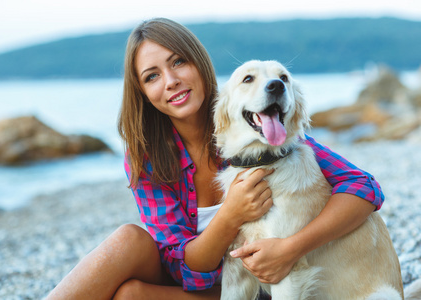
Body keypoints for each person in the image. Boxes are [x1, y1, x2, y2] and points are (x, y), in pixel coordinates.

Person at [46, 18, 383, 299]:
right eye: (152, 76)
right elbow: (188, 273)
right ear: (143, 94)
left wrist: (291, 248)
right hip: (210, 285)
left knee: (130, 296)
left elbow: (365, 188)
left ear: (199, 62)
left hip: (272, 284)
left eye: (178, 61)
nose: (171, 80)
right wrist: (231, 214)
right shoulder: (146, 157)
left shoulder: (255, 124)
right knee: (129, 244)